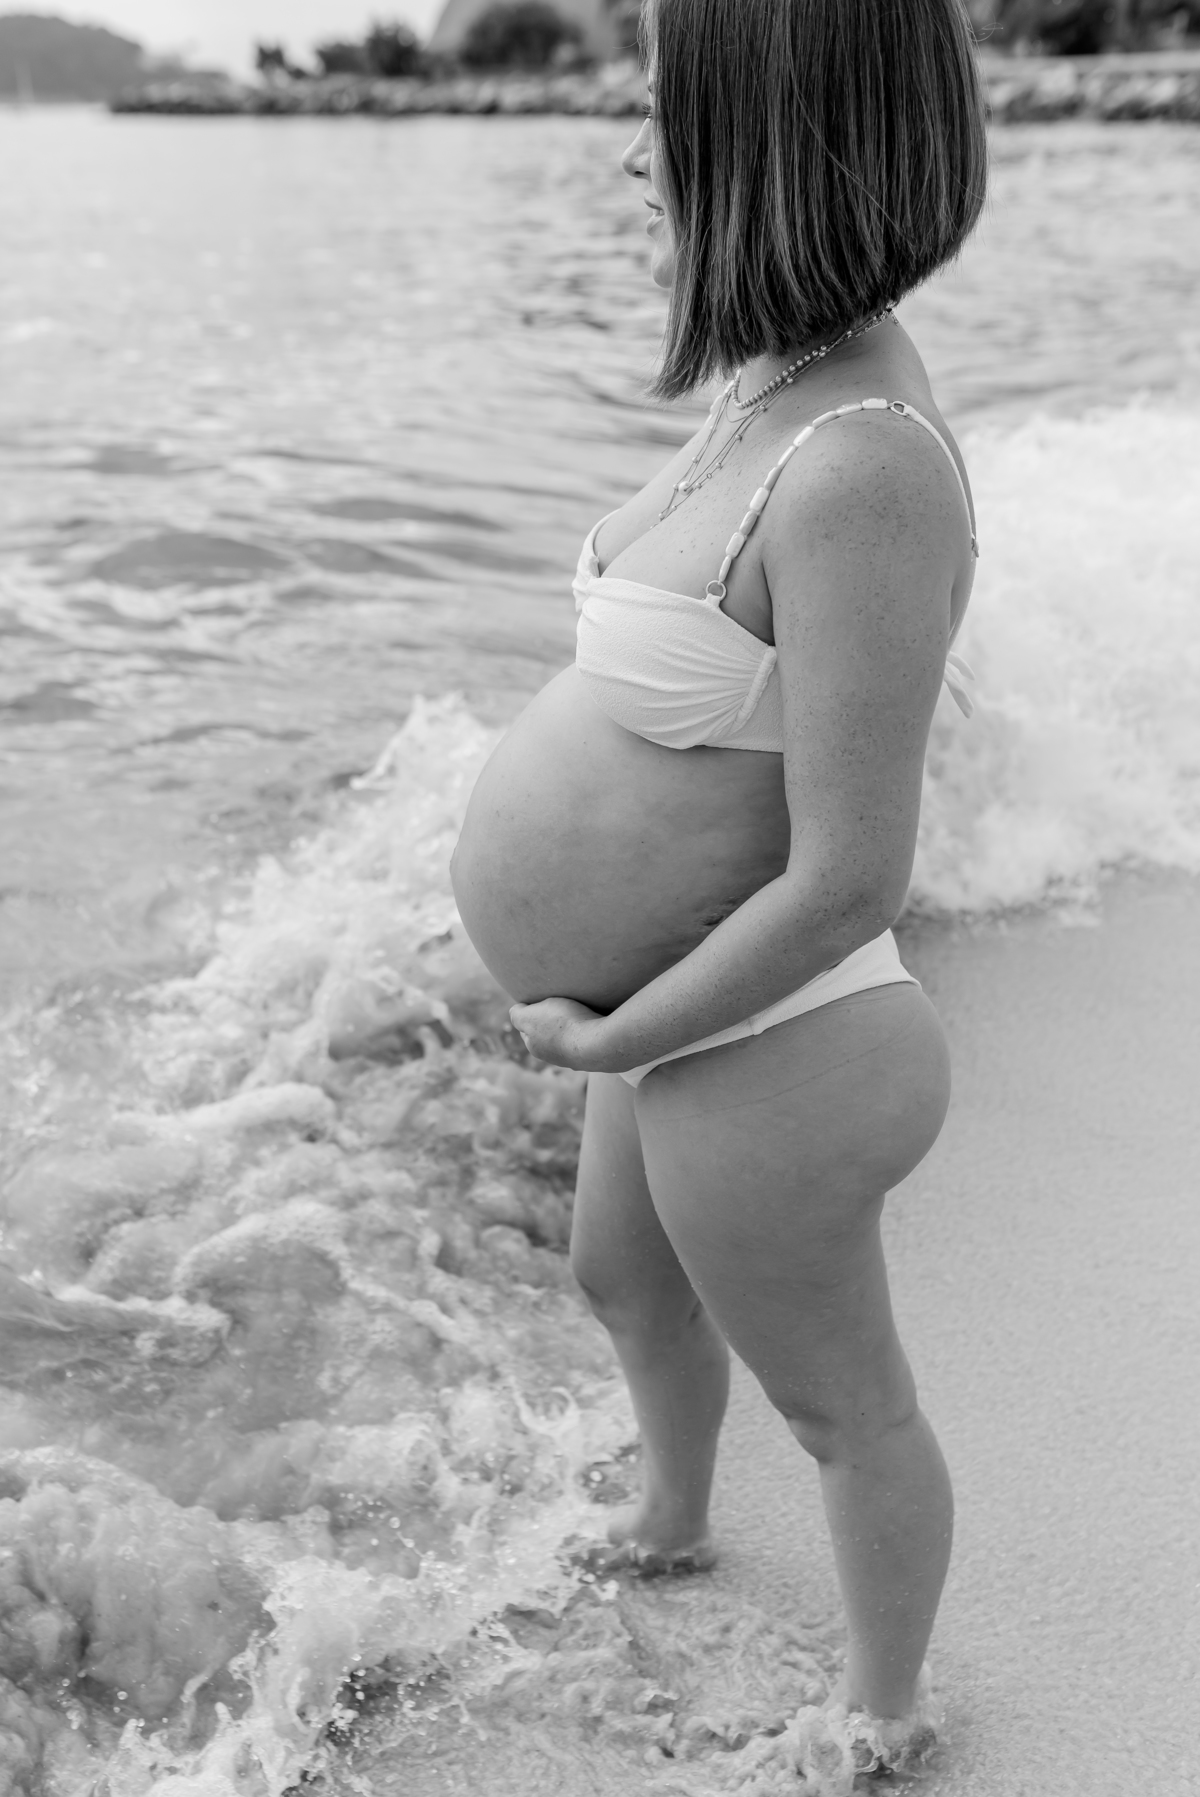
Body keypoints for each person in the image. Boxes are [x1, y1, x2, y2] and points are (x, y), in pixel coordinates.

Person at [450, 0, 986, 1760]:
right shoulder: (780, 382)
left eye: (666, 116)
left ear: (773, 147)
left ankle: (882, 1709)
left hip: (785, 1014)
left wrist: (618, 1039)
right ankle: (673, 1515)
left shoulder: (865, 471)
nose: (631, 155)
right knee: (622, 1273)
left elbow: (848, 876)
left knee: (839, 1399)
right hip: (689, 989)